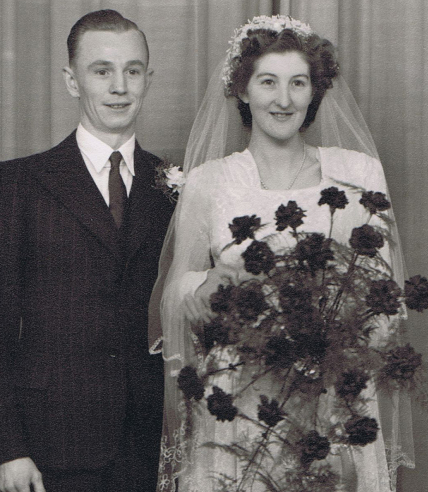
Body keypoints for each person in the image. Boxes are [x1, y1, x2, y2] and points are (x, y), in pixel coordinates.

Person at [150, 16, 414, 492]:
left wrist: (328, 343)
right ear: (243, 90)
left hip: (331, 403)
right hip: (240, 403)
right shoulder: (210, 182)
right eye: (268, 82)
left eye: (298, 83)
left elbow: (385, 301)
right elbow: (174, 294)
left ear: (315, 91)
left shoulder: (358, 174)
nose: (284, 99)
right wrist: (202, 287)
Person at [0, 9, 173, 492]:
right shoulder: (19, 183)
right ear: (72, 81)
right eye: (102, 71)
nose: (119, 86)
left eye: (132, 71)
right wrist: (8, 450)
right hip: (49, 444)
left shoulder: (174, 188)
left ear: (147, 79)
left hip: (151, 443)